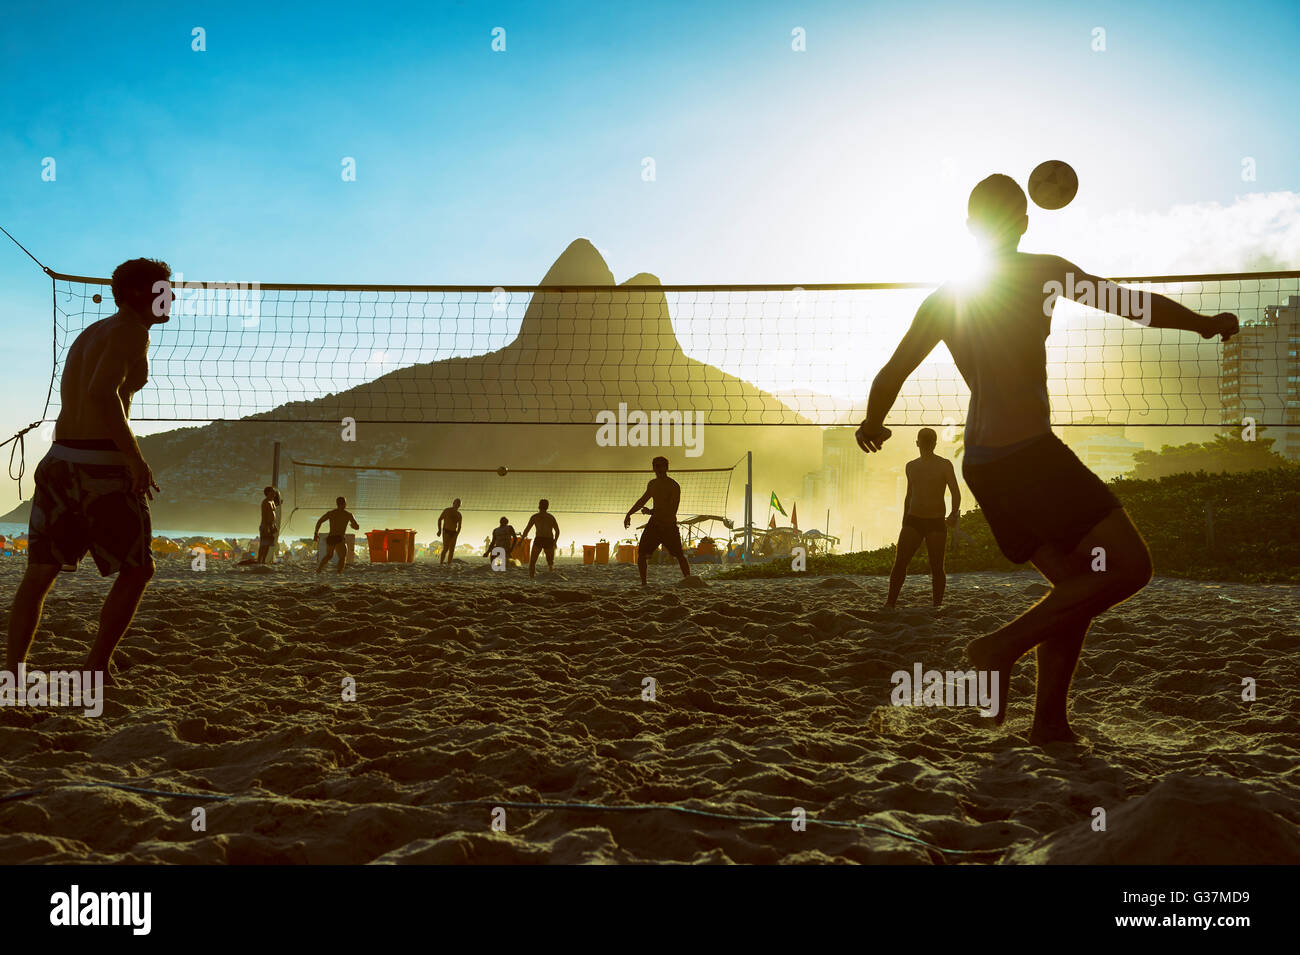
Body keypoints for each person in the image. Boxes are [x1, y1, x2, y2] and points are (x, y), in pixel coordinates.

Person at [855, 173, 1238, 744]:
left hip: (981, 463)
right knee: (1130, 567)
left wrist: (873, 420)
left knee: (1075, 590)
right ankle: (997, 649)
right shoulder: (1042, 271)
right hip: (1028, 455)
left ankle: (1049, 722)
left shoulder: (946, 297)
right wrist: (1203, 324)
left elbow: (894, 370)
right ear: (1024, 222)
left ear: (968, 229)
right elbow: (1132, 306)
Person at [6, 258, 173, 684]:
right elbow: (102, 394)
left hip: (59, 461)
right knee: (138, 570)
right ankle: (95, 667)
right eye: (163, 289)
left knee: (39, 574)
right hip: (100, 467)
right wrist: (135, 458)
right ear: (139, 295)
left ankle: (13, 672)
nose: (170, 297)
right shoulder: (130, 332)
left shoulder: (93, 332)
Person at [885, 428, 959, 608]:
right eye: (924, 441)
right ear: (918, 443)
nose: (925, 444)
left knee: (936, 567)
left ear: (932, 444)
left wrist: (953, 513)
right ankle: (890, 603)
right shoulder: (911, 466)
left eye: (928, 441)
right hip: (914, 519)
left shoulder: (944, 464)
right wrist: (904, 520)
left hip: (935, 521)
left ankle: (936, 606)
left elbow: (955, 493)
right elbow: (909, 494)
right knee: (901, 562)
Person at [624, 455, 691, 586]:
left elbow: (672, 510)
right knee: (642, 554)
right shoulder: (652, 484)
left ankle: (689, 579)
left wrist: (651, 511)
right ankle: (644, 583)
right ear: (653, 468)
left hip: (669, 526)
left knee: (679, 555)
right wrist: (629, 513)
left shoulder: (673, 486)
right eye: (656, 466)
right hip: (654, 525)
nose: (658, 469)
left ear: (667, 468)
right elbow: (642, 500)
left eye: (661, 466)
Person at [314, 497, 359, 574]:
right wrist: (352, 526)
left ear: (337, 504)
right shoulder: (348, 514)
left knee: (329, 555)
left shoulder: (331, 513)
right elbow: (357, 527)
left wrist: (316, 533)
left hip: (331, 537)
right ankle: (339, 572)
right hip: (339, 538)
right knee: (342, 557)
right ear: (345, 504)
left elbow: (319, 521)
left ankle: (319, 569)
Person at [520, 499, 560, 579]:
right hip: (548, 539)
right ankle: (550, 576)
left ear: (539, 506)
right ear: (547, 507)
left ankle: (531, 578)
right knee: (550, 562)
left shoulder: (535, 517)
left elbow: (527, 529)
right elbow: (557, 531)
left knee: (533, 561)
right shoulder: (550, 517)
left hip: (539, 539)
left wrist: (521, 540)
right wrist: (555, 542)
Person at [256, 486, 280, 564]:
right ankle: (260, 560)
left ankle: (263, 561)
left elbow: (275, 507)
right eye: (272, 492)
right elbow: (265, 516)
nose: (274, 493)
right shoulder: (265, 502)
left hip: (271, 525)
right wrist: (267, 527)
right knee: (263, 545)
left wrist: (273, 526)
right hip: (265, 525)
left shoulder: (272, 502)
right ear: (268, 493)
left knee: (268, 545)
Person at [438, 498, 462, 564]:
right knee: (446, 548)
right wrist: (439, 530)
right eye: (456, 503)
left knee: (452, 550)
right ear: (453, 503)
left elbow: (459, 527)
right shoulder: (447, 510)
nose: (457, 505)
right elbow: (440, 519)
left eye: (458, 504)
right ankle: (441, 563)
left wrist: (456, 535)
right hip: (446, 531)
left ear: (459, 505)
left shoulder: (459, 514)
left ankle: (449, 564)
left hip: (454, 533)